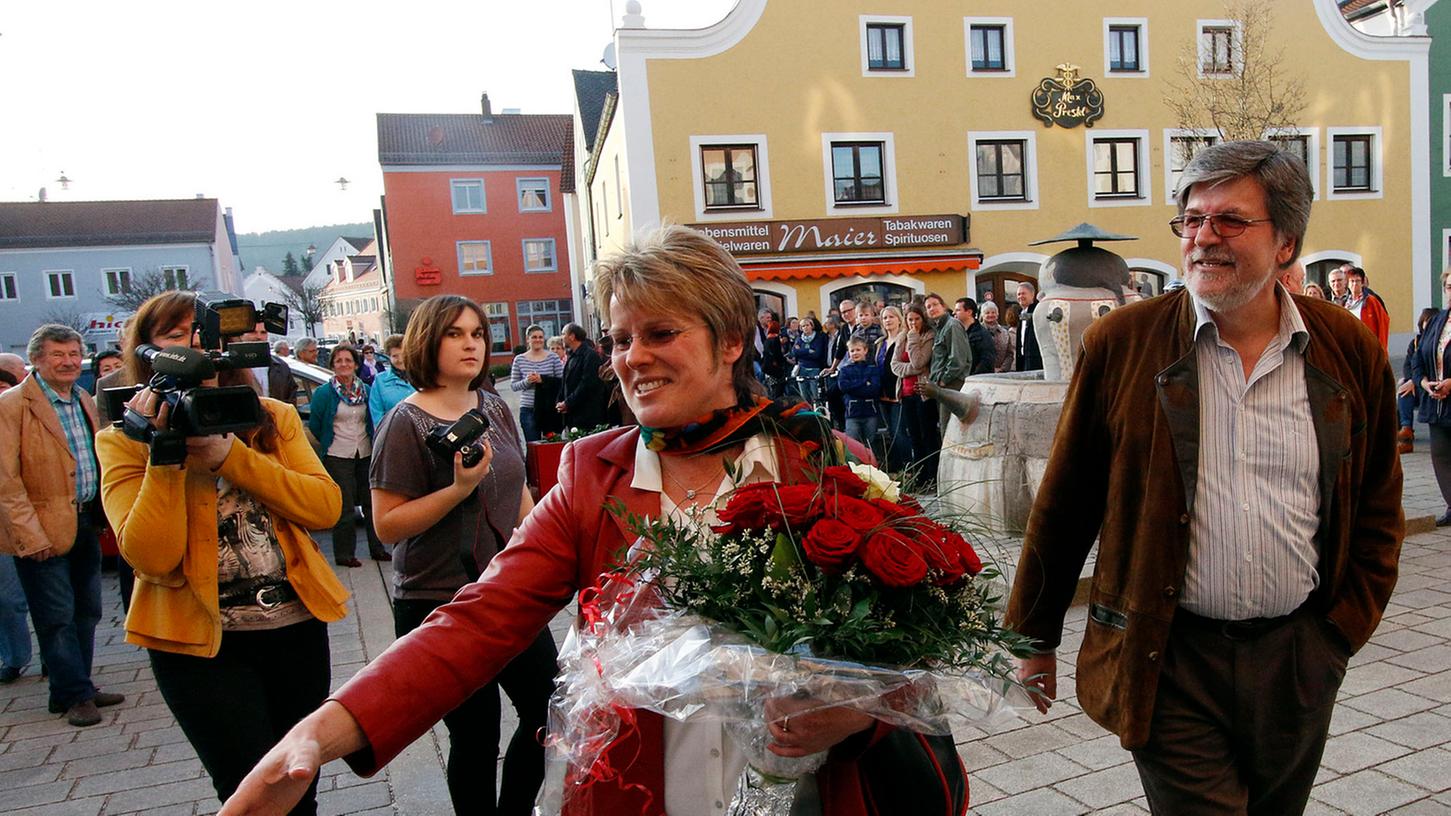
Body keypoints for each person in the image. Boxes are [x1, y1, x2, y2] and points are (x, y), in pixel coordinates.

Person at [222, 225, 968, 816]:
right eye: (618, 339)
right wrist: (318, 733)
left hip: (809, 794)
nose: (630, 357)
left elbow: (905, 653)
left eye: (660, 333)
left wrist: (857, 716)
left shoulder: (825, 458)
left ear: (731, 341)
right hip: (638, 792)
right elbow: (478, 621)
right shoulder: (592, 475)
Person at [1007, 140, 1403, 815]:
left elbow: (1377, 504)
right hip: (1167, 658)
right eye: (1191, 219)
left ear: (1285, 241)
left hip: (1296, 657)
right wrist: (1032, 638)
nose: (1201, 238)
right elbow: (1066, 500)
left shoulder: (1345, 349)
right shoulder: (1123, 343)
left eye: (1228, 221)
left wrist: (1335, 634)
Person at [96, 306, 349, 811]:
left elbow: (326, 507)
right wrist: (167, 456)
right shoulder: (122, 438)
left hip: (295, 627)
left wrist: (231, 456)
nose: (193, 347)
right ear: (147, 353)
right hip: (199, 645)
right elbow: (151, 556)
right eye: (174, 337)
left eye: (204, 335)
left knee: (300, 784)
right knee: (247, 791)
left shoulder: (271, 416)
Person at [363, 294, 558, 815]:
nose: (471, 343)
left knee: (552, 713)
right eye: (455, 333)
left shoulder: (492, 405)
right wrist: (456, 489)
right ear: (429, 340)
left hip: (505, 589)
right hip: (437, 599)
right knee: (475, 736)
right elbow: (387, 525)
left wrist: (543, 547)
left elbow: (519, 492)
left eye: (477, 332)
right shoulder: (404, 423)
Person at [0, 325, 123, 727]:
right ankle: (74, 694)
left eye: (73, 354)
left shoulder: (83, 397)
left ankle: (73, 686)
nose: (69, 361)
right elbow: (5, 480)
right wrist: (28, 534)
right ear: (36, 359)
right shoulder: (13, 405)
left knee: (87, 610)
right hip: (40, 527)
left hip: (84, 520)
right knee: (56, 616)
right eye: (58, 355)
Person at [307, 345, 388, 566]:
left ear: (355, 364)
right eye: (339, 361)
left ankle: (377, 548)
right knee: (345, 506)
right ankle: (345, 554)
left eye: (348, 360)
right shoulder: (325, 393)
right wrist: (328, 441)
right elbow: (315, 424)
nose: (344, 364)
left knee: (372, 502)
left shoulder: (367, 390)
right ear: (333, 365)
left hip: (364, 451)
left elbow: (372, 419)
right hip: (337, 453)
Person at [1412, 276, 1451, 525]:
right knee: (1441, 456)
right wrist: (1424, 382)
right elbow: (1418, 357)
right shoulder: (1437, 320)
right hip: (1436, 402)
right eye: (1449, 286)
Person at [892, 303, 936, 484]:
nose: (913, 323)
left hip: (923, 392)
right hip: (906, 392)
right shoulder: (902, 336)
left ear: (923, 318)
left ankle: (932, 476)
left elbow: (919, 361)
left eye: (917, 319)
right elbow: (894, 366)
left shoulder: (928, 336)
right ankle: (920, 477)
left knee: (928, 435)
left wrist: (913, 337)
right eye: (910, 319)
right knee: (914, 437)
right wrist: (911, 369)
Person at [921, 293, 970, 440]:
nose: (932, 308)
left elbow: (958, 359)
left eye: (935, 304)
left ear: (943, 306)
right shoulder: (939, 328)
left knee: (949, 431)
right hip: (942, 386)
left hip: (952, 384)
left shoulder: (952, 325)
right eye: (928, 307)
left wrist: (943, 380)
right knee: (945, 429)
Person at [509, 325, 565, 442]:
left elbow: (562, 382)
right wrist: (527, 381)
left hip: (549, 408)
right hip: (528, 408)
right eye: (534, 337)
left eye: (540, 337)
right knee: (533, 446)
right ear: (528, 339)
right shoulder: (519, 359)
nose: (538, 340)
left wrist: (543, 380)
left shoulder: (553, 358)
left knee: (551, 446)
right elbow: (514, 385)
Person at [874, 306, 910, 472]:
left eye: (891, 317)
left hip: (898, 392)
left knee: (899, 433)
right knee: (890, 432)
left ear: (898, 319)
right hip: (883, 393)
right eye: (884, 318)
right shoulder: (880, 343)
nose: (887, 320)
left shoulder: (905, 339)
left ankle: (908, 467)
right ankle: (896, 469)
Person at [1398, 308, 1438, 455]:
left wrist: (1414, 382)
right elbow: (1409, 365)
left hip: (1432, 385)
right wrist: (1411, 380)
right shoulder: (1415, 343)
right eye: (1426, 322)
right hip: (1418, 385)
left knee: (1407, 387)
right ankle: (1406, 430)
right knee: (1404, 390)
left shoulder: (1439, 342)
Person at [556, 323, 609, 431]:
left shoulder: (589, 355)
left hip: (587, 415)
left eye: (563, 334)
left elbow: (587, 383)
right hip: (573, 414)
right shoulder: (572, 356)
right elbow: (565, 381)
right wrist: (560, 401)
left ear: (572, 336)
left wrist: (568, 402)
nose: (562, 338)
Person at [837, 336, 880, 448]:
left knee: (870, 445)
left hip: (870, 412)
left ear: (865, 350)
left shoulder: (873, 368)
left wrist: (854, 387)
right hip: (852, 413)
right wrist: (864, 382)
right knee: (852, 446)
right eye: (852, 350)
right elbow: (844, 387)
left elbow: (874, 389)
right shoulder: (844, 370)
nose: (855, 353)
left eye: (858, 350)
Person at [368, 334, 415, 433]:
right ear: (389, 356)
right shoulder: (380, 381)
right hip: (394, 437)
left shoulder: (421, 377)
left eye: (403, 354)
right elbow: (377, 414)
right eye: (395, 356)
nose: (400, 360)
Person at [1343, 266, 1390, 349]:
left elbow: (1384, 322)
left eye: (1357, 281)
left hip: (1368, 347)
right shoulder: (1345, 304)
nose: (1354, 284)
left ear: (1362, 283)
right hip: (1350, 346)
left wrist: (1381, 349)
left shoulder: (1372, 301)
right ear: (1348, 284)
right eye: (1352, 281)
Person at [790, 315, 828, 406]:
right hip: (801, 369)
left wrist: (801, 351)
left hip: (814, 369)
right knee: (804, 398)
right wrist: (808, 351)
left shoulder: (819, 337)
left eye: (807, 325)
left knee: (816, 396)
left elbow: (817, 354)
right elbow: (794, 352)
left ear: (812, 326)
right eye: (803, 326)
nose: (805, 327)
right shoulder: (799, 339)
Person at [957, 298, 995, 377]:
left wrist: (972, 377)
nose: (954, 313)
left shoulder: (982, 334)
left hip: (976, 381)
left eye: (958, 310)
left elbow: (986, 361)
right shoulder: (959, 332)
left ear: (969, 312)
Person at [978, 301, 1016, 373]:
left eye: (993, 312)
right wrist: (989, 369)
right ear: (982, 315)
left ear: (997, 314)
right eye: (987, 313)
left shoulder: (1004, 332)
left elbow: (1009, 354)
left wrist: (1002, 369)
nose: (991, 315)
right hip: (982, 373)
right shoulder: (978, 332)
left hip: (1001, 373)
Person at [1013, 281, 1043, 372]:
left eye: (1023, 293)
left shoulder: (1038, 311)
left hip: (1035, 360)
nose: (1020, 297)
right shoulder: (1021, 313)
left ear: (1032, 295)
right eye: (1018, 294)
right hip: (1023, 358)